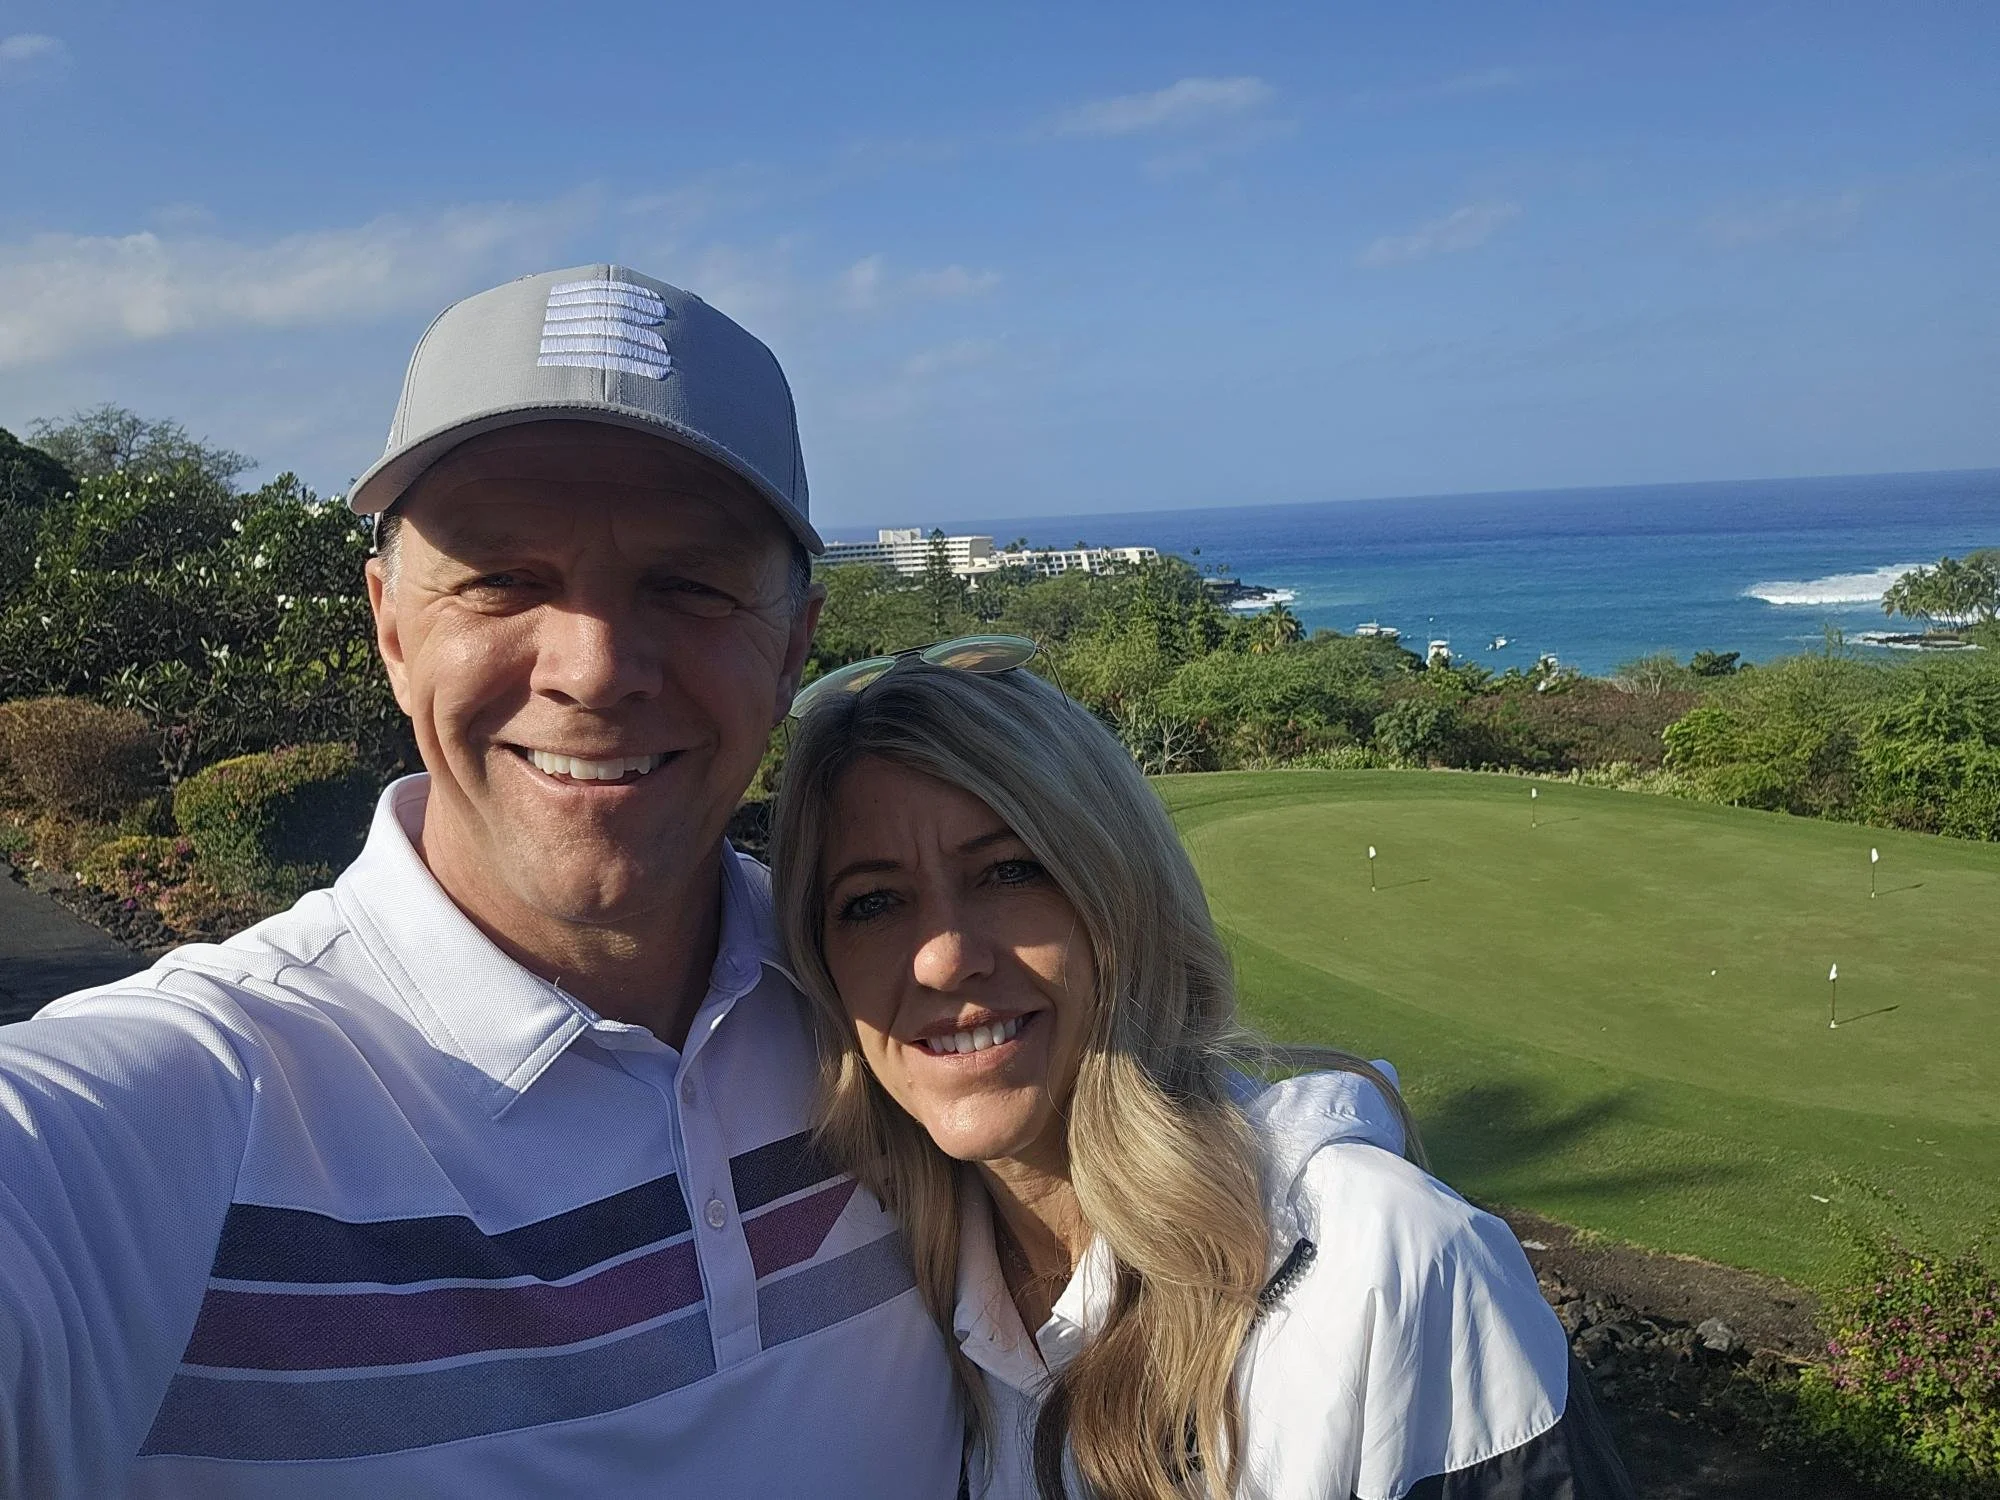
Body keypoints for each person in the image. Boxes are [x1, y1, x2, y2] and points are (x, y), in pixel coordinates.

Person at [0, 267, 960, 1496]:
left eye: (689, 585)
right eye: (502, 579)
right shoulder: (200, 1102)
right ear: (393, 630)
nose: (596, 669)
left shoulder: (892, 1007)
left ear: (791, 647)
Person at [770, 648, 1636, 1500]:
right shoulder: (882, 1326)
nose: (944, 959)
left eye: (1009, 870)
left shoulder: (1390, 1262)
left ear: (1120, 898)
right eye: (873, 902)